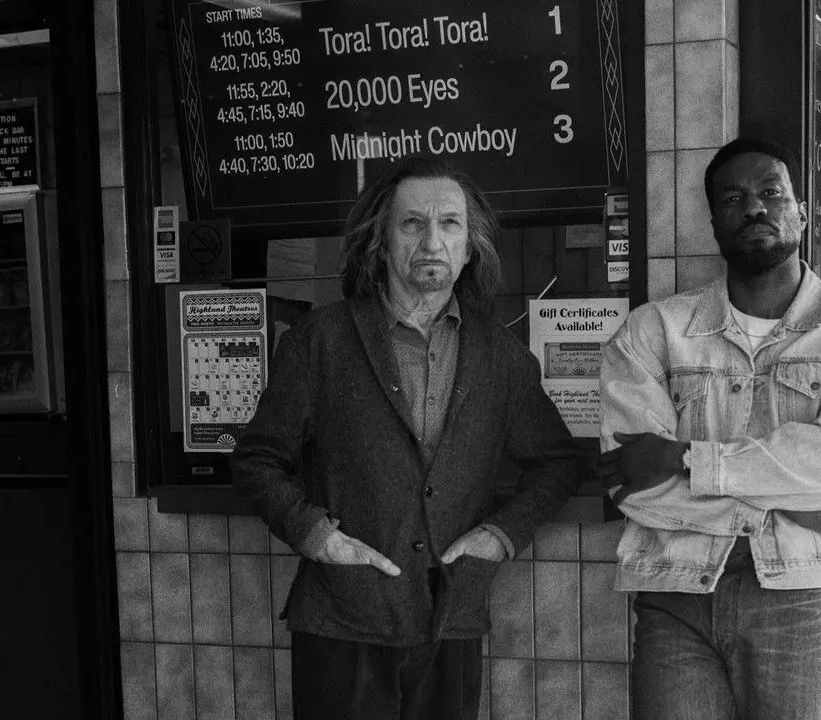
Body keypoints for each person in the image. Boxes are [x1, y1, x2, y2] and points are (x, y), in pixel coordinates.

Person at [232, 154, 581, 720]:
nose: (432, 242)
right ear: (382, 241)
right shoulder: (319, 342)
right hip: (343, 617)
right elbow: (255, 460)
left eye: (450, 224)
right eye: (412, 223)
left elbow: (559, 462)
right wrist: (315, 536)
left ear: (469, 247)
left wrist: (499, 536)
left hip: (451, 619)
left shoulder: (502, 357)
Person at [597, 137, 821, 720]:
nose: (754, 208)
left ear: (802, 212)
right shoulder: (652, 333)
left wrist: (683, 458)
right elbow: (635, 488)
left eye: (772, 192)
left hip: (799, 595)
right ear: (714, 223)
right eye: (733, 198)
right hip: (676, 591)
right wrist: (790, 503)